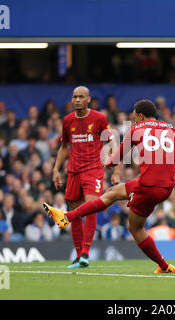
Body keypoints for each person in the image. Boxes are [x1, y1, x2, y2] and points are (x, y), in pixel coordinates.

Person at [44, 99, 175, 273]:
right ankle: (163, 266)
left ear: (141, 117)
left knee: (122, 211)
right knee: (123, 207)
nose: (133, 119)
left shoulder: (136, 130)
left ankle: (67, 217)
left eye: (134, 116)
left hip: (147, 185)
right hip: (165, 189)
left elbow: (116, 159)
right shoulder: (172, 130)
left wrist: (107, 162)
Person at [51, 86, 119, 269]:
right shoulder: (67, 120)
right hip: (73, 170)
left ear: (88, 99)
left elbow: (112, 142)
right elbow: (64, 146)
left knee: (90, 207)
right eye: (74, 97)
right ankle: (78, 254)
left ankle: (86, 254)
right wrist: (56, 169)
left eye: (81, 97)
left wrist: (117, 170)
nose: (77, 100)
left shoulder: (99, 118)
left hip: (93, 169)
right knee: (74, 210)